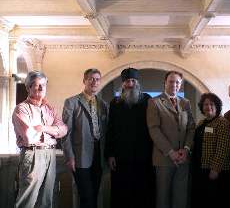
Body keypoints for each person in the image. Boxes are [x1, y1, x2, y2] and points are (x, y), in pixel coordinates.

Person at [12, 71, 67, 208]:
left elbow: (63, 129)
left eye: (44, 85)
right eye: (37, 85)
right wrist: (52, 130)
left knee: (47, 199)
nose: (42, 89)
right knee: (27, 199)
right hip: (33, 154)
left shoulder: (50, 108)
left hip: (50, 154)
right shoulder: (21, 109)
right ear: (28, 87)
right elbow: (29, 136)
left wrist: (42, 128)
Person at [105, 67, 154, 208]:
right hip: (121, 157)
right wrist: (110, 154)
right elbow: (110, 129)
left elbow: (153, 126)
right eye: (127, 81)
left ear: (137, 82)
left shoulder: (147, 100)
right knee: (122, 193)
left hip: (143, 156)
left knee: (143, 192)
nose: (130, 84)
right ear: (123, 83)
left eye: (133, 80)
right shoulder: (115, 103)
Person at [147, 70, 195, 208]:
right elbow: (154, 129)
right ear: (165, 82)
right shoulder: (154, 102)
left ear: (181, 84)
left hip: (183, 158)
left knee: (181, 197)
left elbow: (191, 128)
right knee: (163, 198)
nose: (174, 84)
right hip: (164, 158)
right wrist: (170, 152)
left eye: (177, 82)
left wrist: (186, 149)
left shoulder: (185, 103)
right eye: (171, 81)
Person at [62, 68, 108, 208]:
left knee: (95, 194)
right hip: (80, 156)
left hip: (98, 156)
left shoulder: (103, 104)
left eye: (97, 79)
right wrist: (69, 157)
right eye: (91, 79)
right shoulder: (72, 102)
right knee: (85, 196)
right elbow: (66, 132)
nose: (95, 82)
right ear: (84, 81)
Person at [191, 93, 230, 208]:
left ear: (217, 106)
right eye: (205, 104)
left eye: (211, 104)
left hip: (214, 171)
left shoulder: (222, 123)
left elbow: (222, 148)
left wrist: (215, 169)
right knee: (202, 200)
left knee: (214, 200)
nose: (208, 107)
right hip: (200, 167)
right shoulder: (201, 123)